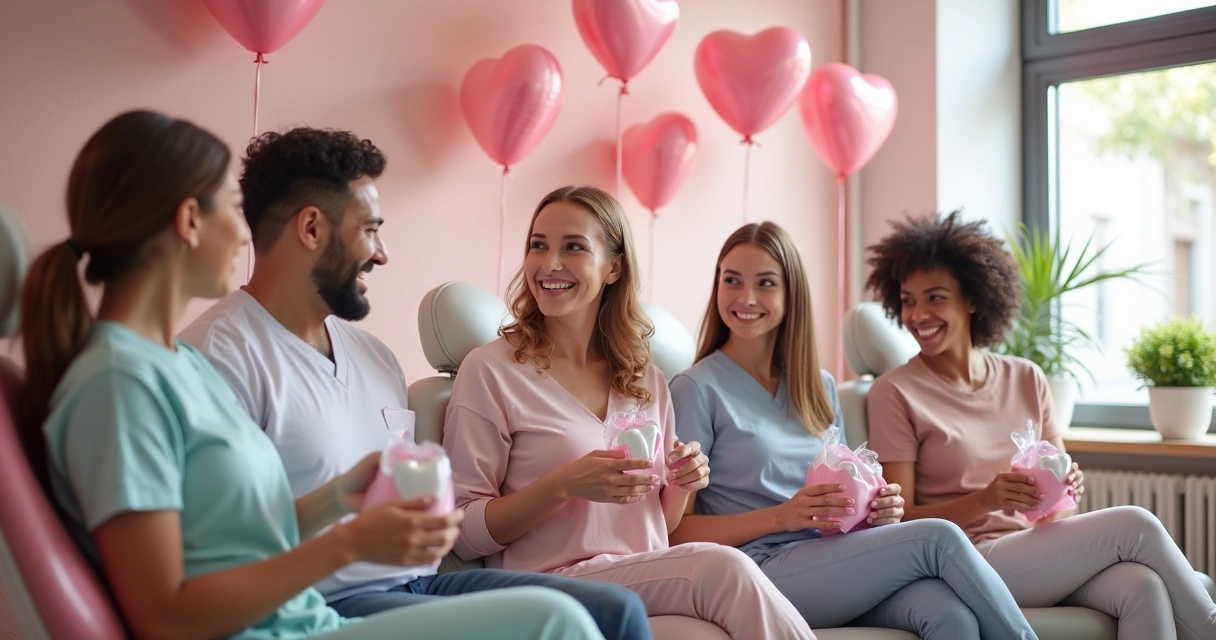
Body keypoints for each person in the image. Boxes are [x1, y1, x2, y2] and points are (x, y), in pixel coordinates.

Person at [19, 110, 604, 640]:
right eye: (232, 207)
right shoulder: (120, 384)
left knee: (579, 615)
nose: (248, 230)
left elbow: (233, 540)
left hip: (306, 620)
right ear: (191, 220)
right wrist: (349, 542)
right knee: (556, 622)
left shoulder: (176, 366)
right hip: (287, 628)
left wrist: (338, 499)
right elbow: (164, 616)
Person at [178, 127, 649, 640]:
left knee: (617, 611)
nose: (381, 254)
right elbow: (215, 548)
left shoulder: (375, 358)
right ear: (311, 228)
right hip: (325, 601)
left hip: (419, 584)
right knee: (559, 623)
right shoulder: (217, 358)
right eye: (370, 230)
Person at [443, 186, 817, 639]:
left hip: (644, 575)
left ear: (614, 267)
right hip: (553, 583)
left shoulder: (644, 379)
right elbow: (462, 532)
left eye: (573, 247)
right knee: (724, 568)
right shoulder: (491, 371)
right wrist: (563, 485)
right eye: (538, 245)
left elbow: (660, 523)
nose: (549, 263)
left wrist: (680, 484)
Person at [668, 221, 1037, 639]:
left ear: (791, 296)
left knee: (951, 617)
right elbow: (677, 529)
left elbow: (846, 500)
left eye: (765, 283)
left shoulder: (818, 386)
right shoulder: (695, 389)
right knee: (938, 538)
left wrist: (879, 510)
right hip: (757, 567)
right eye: (731, 280)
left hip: (831, 557)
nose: (746, 298)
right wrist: (782, 516)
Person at [865, 211, 1216, 640]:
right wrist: (987, 499)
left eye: (935, 297)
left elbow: (1060, 504)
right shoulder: (894, 392)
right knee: (1136, 524)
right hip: (964, 560)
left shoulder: (1026, 377)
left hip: (1035, 551)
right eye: (907, 300)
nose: (918, 314)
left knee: (1142, 587)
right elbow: (901, 523)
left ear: (972, 298)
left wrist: (1064, 490)